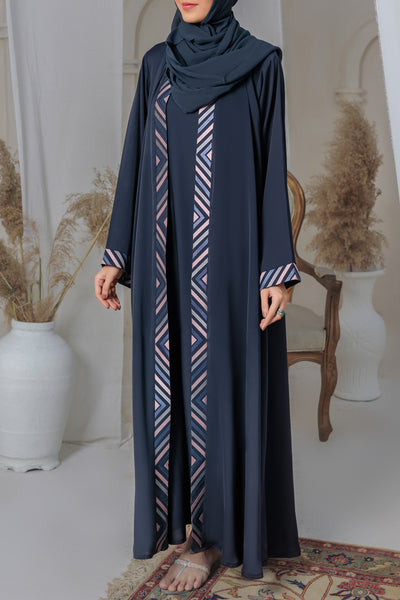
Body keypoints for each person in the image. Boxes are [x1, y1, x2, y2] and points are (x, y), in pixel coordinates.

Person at [94, 0, 302, 593]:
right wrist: (116, 252)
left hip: (230, 261)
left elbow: (271, 167)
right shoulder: (157, 64)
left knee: (219, 386)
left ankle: (210, 539)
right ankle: (183, 525)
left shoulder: (260, 64)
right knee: (172, 387)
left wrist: (275, 269)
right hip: (163, 259)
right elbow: (135, 158)